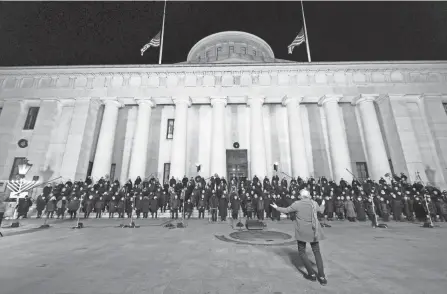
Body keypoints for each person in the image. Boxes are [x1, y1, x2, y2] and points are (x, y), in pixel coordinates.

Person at [270, 189, 327, 286]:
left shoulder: (297, 204)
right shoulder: (314, 203)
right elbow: (321, 210)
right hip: (314, 231)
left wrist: (276, 207)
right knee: (317, 252)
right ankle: (322, 277)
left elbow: (286, 210)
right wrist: (323, 203)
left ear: (301, 196)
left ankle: (311, 274)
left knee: (302, 251)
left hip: (302, 231)